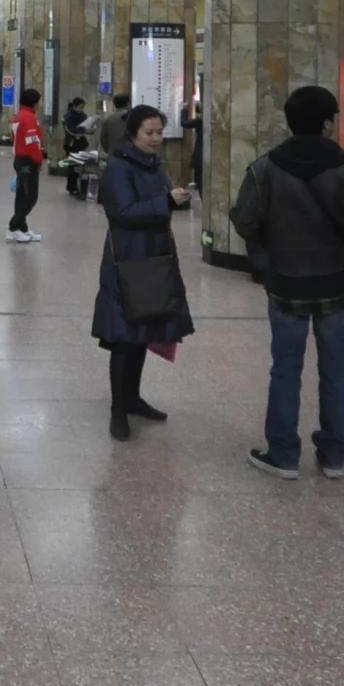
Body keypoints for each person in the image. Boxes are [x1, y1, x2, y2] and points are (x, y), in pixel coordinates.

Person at [231, 84, 344, 481]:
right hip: (337, 283)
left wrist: (268, 255)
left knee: (285, 368)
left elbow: (245, 220)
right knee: (336, 369)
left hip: (286, 283)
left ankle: (284, 453)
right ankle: (333, 455)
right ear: (326, 122)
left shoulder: (264, 168)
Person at [93, 104, 193, 441]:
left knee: (143, 331)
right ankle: (117, 410)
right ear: (133, 133)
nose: (155, 139)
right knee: (124, 336)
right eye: (149, 133)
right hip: (127, 260)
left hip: (156, 257)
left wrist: (172, 199)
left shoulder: (154, 164)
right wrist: (165, 203)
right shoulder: (119, 168)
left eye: (159, 133)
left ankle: (133, 398)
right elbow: (121, 212)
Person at [7, 87, 46, 243]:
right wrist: (38, 160)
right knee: (31, 196)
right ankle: (13, 227)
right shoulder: (28, 118)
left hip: (20, 158)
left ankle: (22, 227)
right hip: (27, 160)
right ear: (34, 102)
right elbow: (32, 142)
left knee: (22, 194)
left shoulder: (19, 116)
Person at [63, 96, 92, 198]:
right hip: (71, 144)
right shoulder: (68, 116)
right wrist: (83, 130)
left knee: (82, 166)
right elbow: (72, 129)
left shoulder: (83, 115)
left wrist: (90, 128)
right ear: (74, 106)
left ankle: (82, 187)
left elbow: (87, 126)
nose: (81, 109)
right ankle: (72, 187)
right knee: (73, 166)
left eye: (83, 107)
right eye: (80, 107)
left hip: (81, 143)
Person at [96, 93, 130, 161]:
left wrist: (109, 150)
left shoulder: (108, 118)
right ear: (128, 103)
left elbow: (103, 138)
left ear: (114, 104)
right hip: (130, 156)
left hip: (113, 155)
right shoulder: (133, 117)